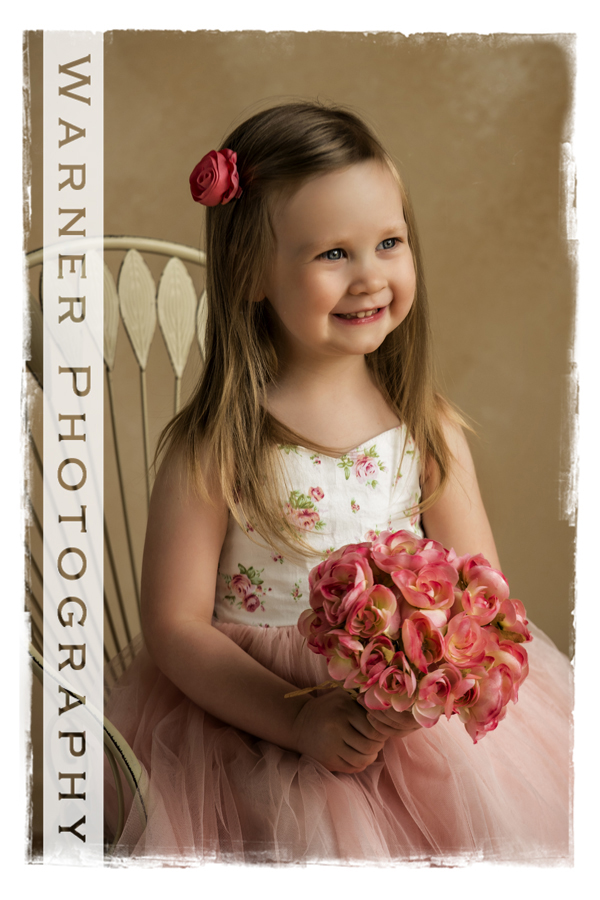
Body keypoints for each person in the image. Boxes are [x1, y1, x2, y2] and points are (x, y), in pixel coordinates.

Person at [105, 101, 572, 865]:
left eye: (389, 243)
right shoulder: (218, 445)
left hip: (408, 729)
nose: (370, 277)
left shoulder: (426, 429)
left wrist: (426, 688)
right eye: (332, 254)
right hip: (251, 720)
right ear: (251, 272)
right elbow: (176, 626)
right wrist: (297, 720)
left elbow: (482, 598)